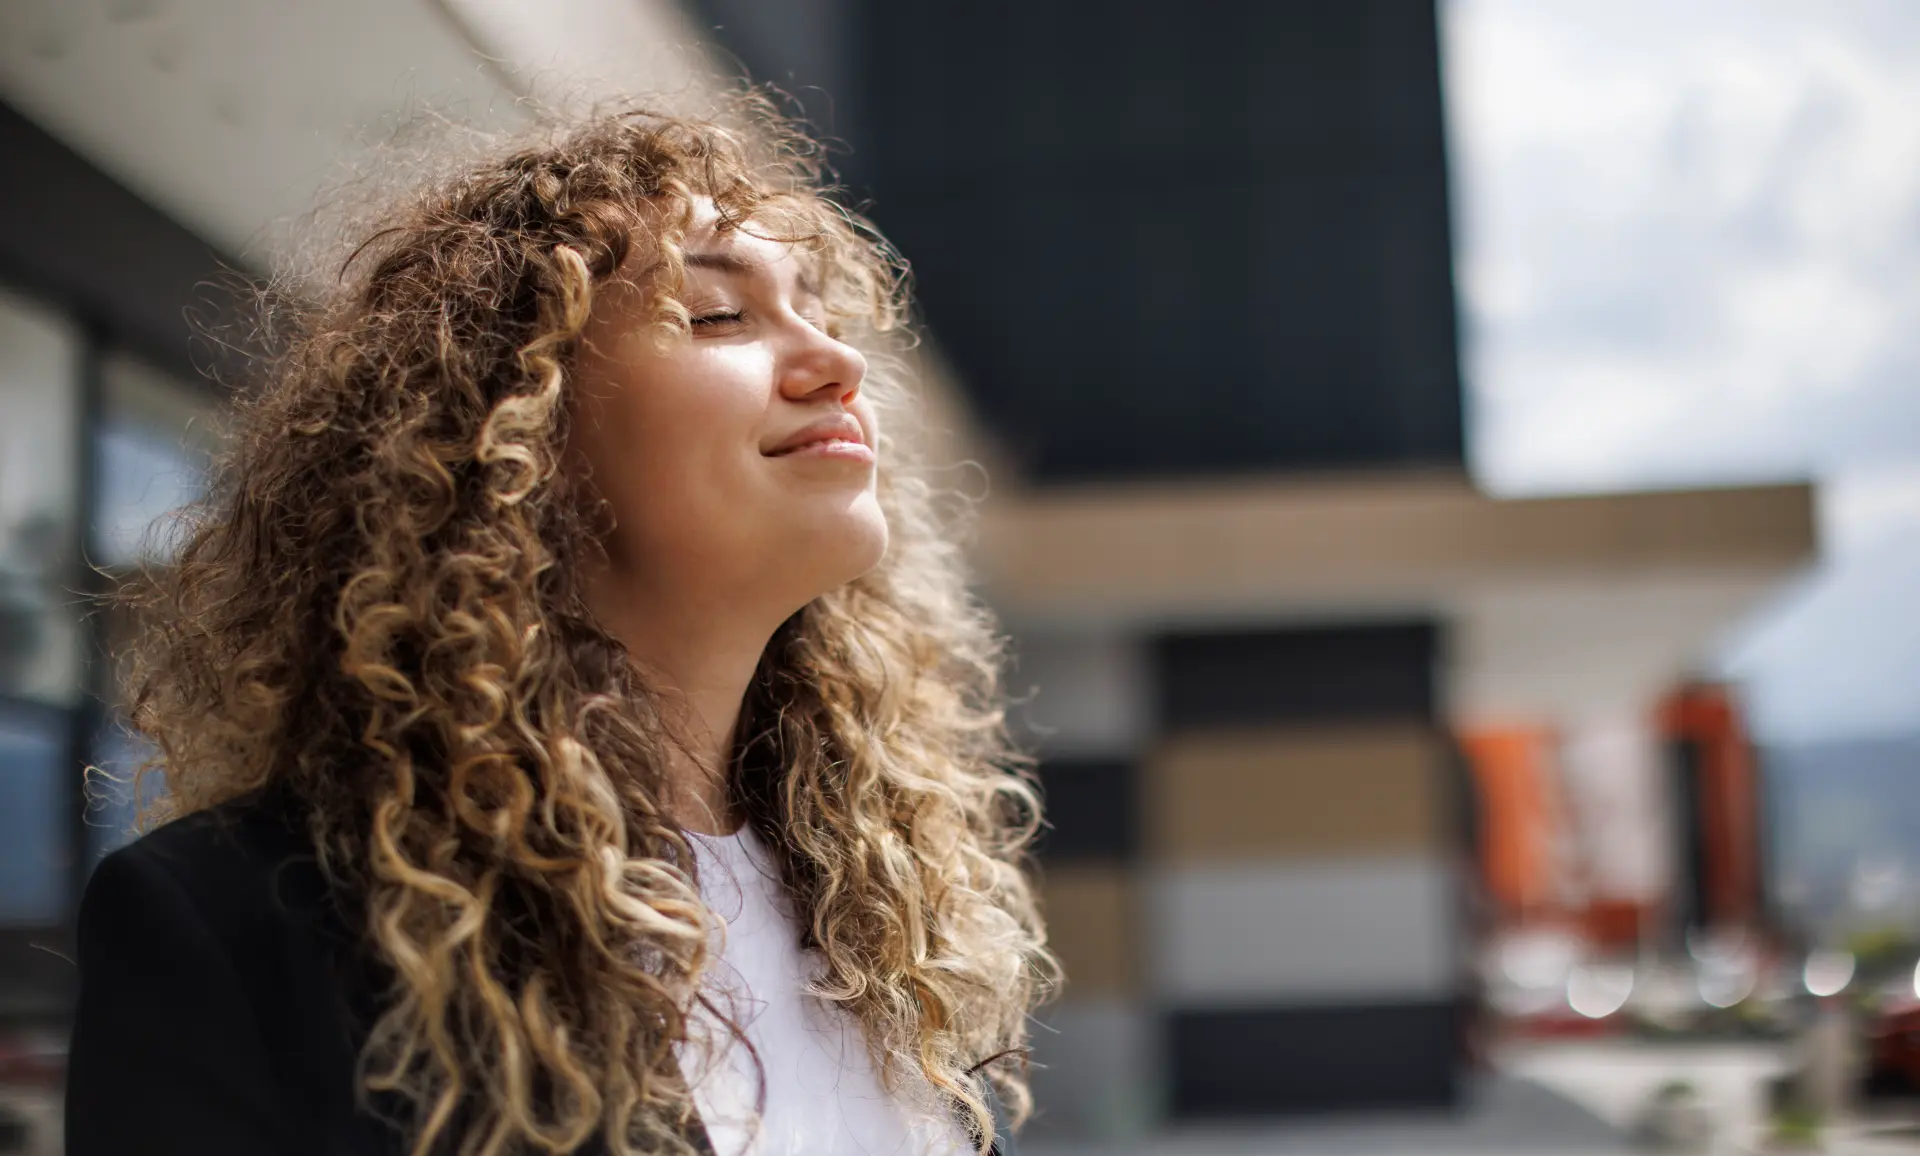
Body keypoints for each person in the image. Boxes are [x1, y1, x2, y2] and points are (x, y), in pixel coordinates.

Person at [65, 95, 1055, 1156]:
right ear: (519, 435)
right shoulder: (244, 926)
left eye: (821, 312)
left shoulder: (879, 923)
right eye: (718, 315)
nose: (836, 364)